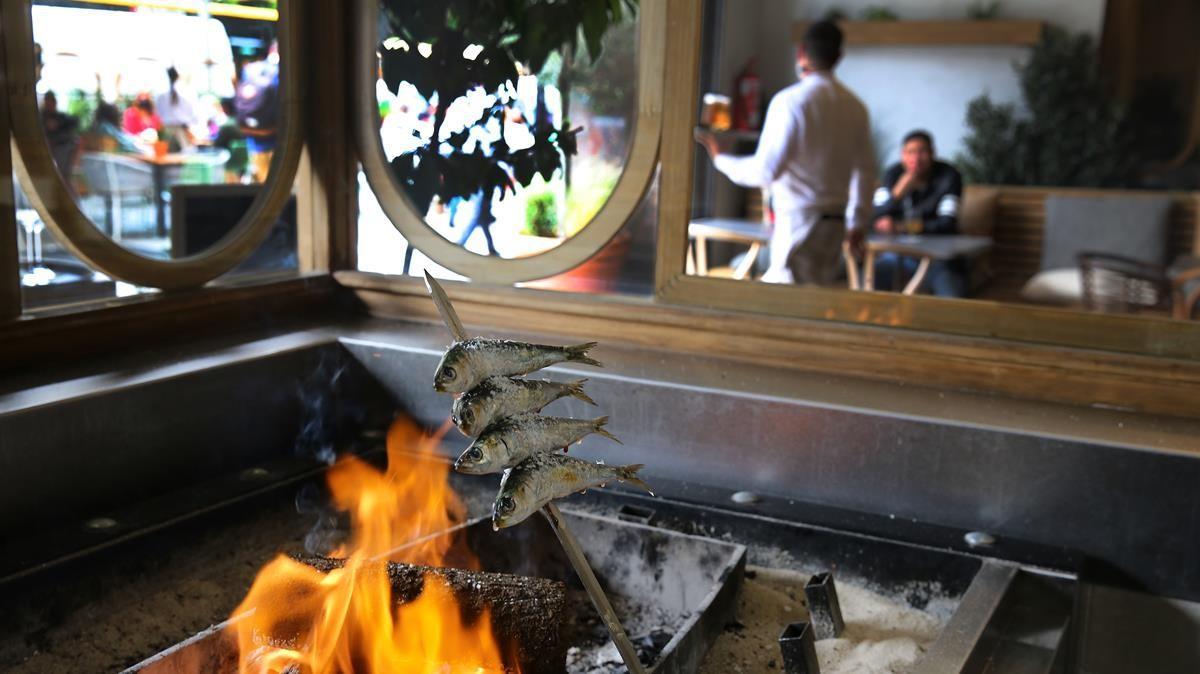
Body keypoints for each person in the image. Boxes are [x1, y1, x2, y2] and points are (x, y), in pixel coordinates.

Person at [696, 21, 875, 285]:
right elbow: (865, 172)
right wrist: (857, 223)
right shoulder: (856, 107)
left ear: (800, 52)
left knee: (790, 309)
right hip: (836, 228)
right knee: (818, 305)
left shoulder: (790, 103)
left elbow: (766, 171)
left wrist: (721, 159)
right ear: (839, 57)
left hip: (800, 227)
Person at [871, 130, 966, 297]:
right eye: (910, 152)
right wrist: (897, 193)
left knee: (952, 294)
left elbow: (947, 223)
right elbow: (875, 217)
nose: (916, 158)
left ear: (932, 153)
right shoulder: (892, 175)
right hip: (899, 254)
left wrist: (901, 227)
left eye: (922, 151)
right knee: (871, 280)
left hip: (938, 256)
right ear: (902, 155)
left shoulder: (949, 176)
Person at [155, 66, 198, 150]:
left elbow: (158, 113)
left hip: (169, 130)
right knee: (183, 155)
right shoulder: (186, 91)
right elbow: (193, 117)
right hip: (180, 130)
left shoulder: (161, 93)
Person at [40, 91, 79, 176]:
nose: (50, 104)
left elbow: (75, 120)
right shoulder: (41, 116)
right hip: (49, 146)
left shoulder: (60, 116)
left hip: (63, 147)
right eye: (48, 101)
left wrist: (58, 124)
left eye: (52, 102)